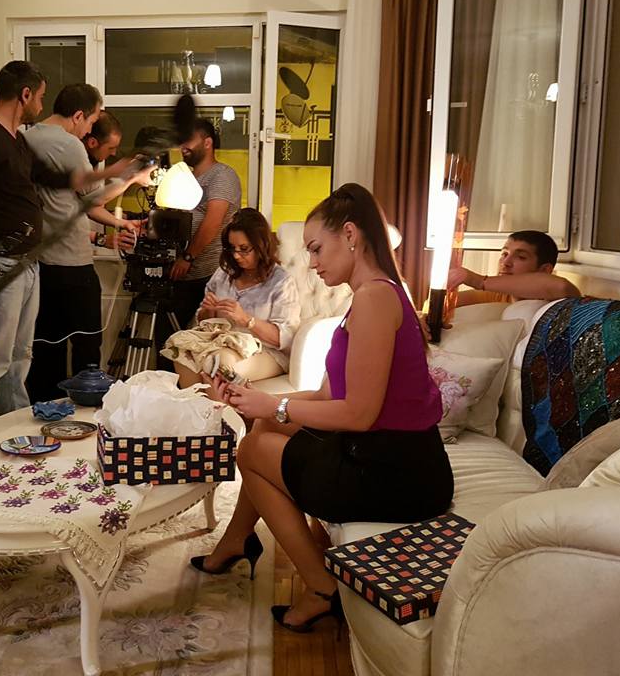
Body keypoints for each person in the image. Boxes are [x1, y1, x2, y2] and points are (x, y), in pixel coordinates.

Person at [190, 183, 453, 633]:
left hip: (397, 473)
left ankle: (321, 587)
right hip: (382, 452)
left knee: (252, 451)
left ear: (349, 235)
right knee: (263, 432)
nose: (311, 263)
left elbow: (357, 414)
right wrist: (254, 401)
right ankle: (236, 540)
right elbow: (328, 395)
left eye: (316, 249)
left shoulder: (375, 299)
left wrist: (275, 405)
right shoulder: (369, 296)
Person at [0, 61, 135, 429]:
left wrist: (115, 172)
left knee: (20, 359)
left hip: (27, 264)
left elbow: (62, 180)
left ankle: (11, 434)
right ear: (25, 94)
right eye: (40, 97)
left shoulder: (19, 141)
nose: (41, 105)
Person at [23, 85, 149, 401]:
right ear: (79, 115)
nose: (89, 131)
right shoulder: (67, 143)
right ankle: (85, 409)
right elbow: (92, 198)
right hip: (72, 264)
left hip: (43, 263)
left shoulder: (28, 136)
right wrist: (132, 177)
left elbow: (75, 203)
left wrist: (121, 223)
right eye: (91, 121)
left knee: (47, 347)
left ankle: (45, 409)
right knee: (87, 346)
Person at [172, 208, 300, 388]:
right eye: (232, 248)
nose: (236, 255)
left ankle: (217, 406)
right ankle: (196, 405)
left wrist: (247, 320)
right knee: (183, 354)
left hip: (266, 351)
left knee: (219, 362)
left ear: (261, 245)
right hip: (221, 342)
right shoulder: (224, 273)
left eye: (244, 249)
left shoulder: (281, 282)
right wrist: (208, 311)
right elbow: (202, 320)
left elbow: (284, 339)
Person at [157, 118, 242, 365]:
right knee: (166, 341)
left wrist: (188, 257)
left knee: (199, 342)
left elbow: (213, 222)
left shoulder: (222, 175)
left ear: (207, 143)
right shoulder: (185, 178)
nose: (182, 146)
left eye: (188, 140)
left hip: (208, 274)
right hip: (179, 275)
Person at [448, 230, 580, 305]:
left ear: (545, 270)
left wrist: (478, 281)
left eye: (521, 257)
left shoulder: (557, 300)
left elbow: (561, 286)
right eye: (504, 254)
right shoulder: (496, 296)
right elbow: (444, 304)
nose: (505, 262)